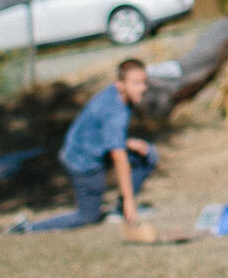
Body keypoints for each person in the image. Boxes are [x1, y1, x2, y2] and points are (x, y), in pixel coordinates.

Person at [13, 59, 157, 233]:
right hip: (83, 161)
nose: (142, 88)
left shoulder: (116, 96)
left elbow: (102, 131)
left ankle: (119, 209)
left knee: (148, 153)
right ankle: (28, 227)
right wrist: (129, 201)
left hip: (89, 149)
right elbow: (119, 158)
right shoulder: (115, 111)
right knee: (89, 216)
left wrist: (127, 142)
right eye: (135, 83)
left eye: (143, 82)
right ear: (119, 84)